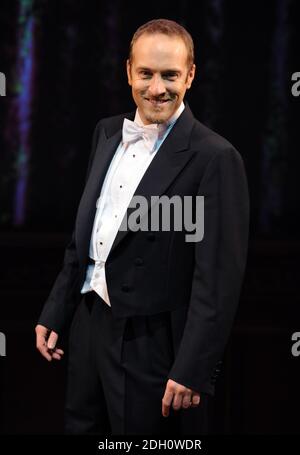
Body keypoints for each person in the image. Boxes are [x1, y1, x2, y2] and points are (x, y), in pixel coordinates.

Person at [35, 18, 249, 435]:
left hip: (152, 342)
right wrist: (57, 310)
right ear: (128, 71)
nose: (157, 88)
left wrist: (193, 368)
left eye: (170, 75)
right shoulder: (107, 132)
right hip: (89, 325)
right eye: (146, 73)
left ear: (190, 75)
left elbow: (217, 282)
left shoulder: (215, 158)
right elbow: (87, 236)